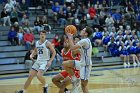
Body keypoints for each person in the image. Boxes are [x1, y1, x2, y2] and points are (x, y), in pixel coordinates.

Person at [65, 26, 93, 93]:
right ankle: (75, 78)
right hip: (82, 63)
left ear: (86, 33)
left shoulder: (85, 41)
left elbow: (72, 48)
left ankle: (76, 80)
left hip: (86, 65)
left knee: (84, 86)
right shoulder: (84, 40)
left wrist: (70, 37)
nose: (81, 30)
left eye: (83, 30)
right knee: (65, 64)